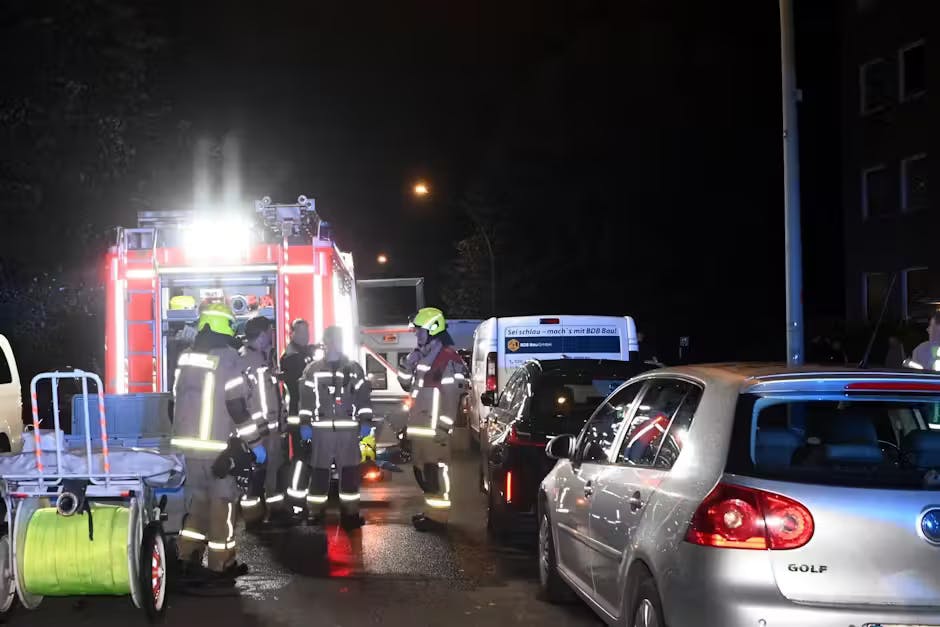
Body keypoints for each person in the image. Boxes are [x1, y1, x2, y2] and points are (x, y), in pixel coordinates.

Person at [171, 302, 266, 582]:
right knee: (222, 507)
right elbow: (236, 406)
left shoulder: (186, 357)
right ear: (226, 326)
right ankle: (220, 565)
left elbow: (175, 403)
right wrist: (256, 443)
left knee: (198, 504)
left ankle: (184, 556)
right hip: (218, 450)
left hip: (189, 450)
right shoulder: (229, 358)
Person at [399, 307, 469, 531]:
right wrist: (407, 364)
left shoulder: (447, 359)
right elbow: (407, 385)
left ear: (432, 330)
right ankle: (431, 512)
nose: (416, 335)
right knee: (422, 472)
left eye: (420, 330)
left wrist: (443, 427)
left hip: (434, 429)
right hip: (420, 427)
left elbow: (452, 398)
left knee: (435, 473)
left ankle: (439, 518)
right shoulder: (423, 356)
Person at [299, 325, 372, 529]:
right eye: (330, 340)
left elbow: (363, 397)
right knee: (319, 473)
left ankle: (350, 514)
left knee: (349, 474)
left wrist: (366, 421)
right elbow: (305, 401)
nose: (333, 344)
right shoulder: (312, 370)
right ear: (325, 342)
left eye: (337, 340)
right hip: (321, 431)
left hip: (348, 432)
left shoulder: (354, 368)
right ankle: (315, 512)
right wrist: (305, 424)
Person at [237, 316, 285, 527]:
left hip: (271, 428)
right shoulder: (246, 360)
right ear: (262, 334)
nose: (272, 335)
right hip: (258, 431)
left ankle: (275, 512)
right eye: (270, 331)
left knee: (272, 471)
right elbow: (247, 400)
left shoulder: (265, 357)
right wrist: (260, 427)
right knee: (257, 475)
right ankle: (253, 517)